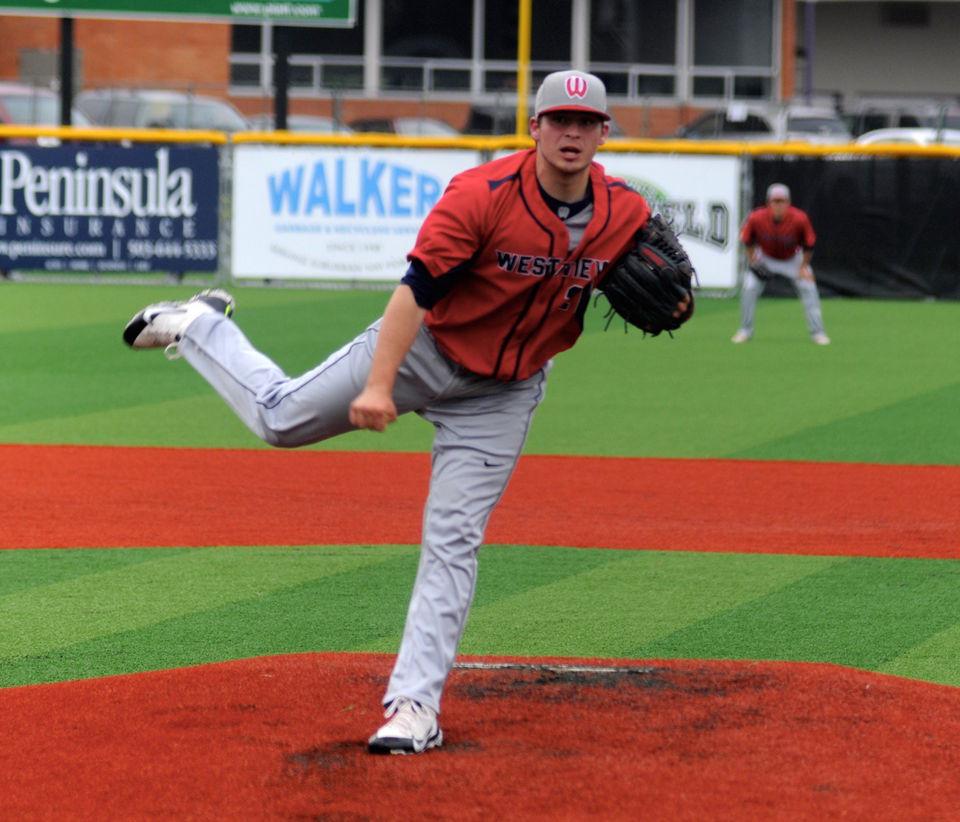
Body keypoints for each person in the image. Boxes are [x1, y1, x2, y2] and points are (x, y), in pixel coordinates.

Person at [122, 70, 690, 755]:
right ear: (534, 128)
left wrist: (678, 306)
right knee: (279, 421)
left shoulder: (623, 211)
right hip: (423, 349)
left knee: (454, 539)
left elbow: (672, 293)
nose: (572, 133)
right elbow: (412, 293)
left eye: (586, 122)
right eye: (559, 120)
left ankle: (414, 705)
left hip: (503, 393)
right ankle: (202, 325)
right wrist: (379, 385)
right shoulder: (480, 196)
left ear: (604, 132)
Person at [731, 183, 830, 345]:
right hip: (766, 257)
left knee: (809, 287)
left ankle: (818, 333)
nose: (778, 205)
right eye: (775, 201)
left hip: (793, 258)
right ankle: (745, 331)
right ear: (768, 203)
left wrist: (804, 266)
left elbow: (809, 244)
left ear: (788, 203)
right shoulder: (756, 217)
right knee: (749, 287)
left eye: (782, 201)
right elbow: (747, 239)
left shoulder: (799, 218)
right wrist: (753, 260)